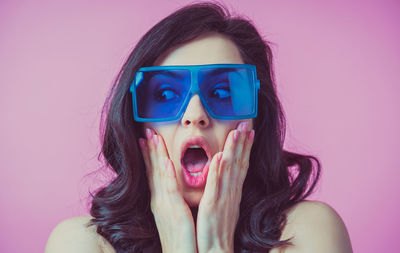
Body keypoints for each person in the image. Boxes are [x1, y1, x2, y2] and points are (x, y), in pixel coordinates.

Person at [45, 3, 352, 253]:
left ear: (256, 120)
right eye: (165, 95)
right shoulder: (82, 243)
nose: (195, 115)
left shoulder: (309, 232)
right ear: (136, 123)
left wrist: (217, 247)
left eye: (222, 93)